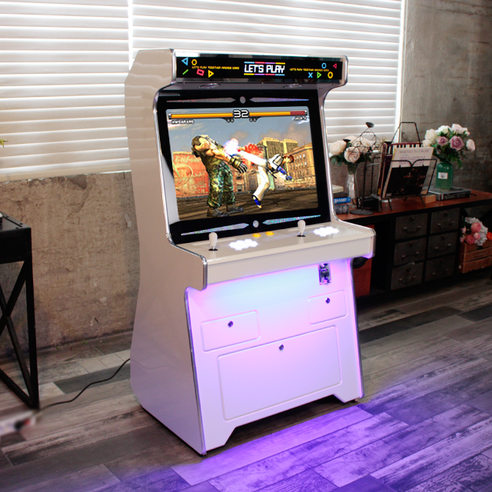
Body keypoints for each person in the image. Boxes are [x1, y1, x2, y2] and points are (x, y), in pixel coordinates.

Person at [191, 135, 247, 217]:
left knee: (228, 186)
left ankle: (230, 206)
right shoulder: (201, 143)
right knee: (216, 188)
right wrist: (233, 161)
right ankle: (212, 210)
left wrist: (241, 149)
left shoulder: (209, 140)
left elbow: (223, 150)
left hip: (223, 166)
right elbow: (217, 154)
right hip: (214, 168)